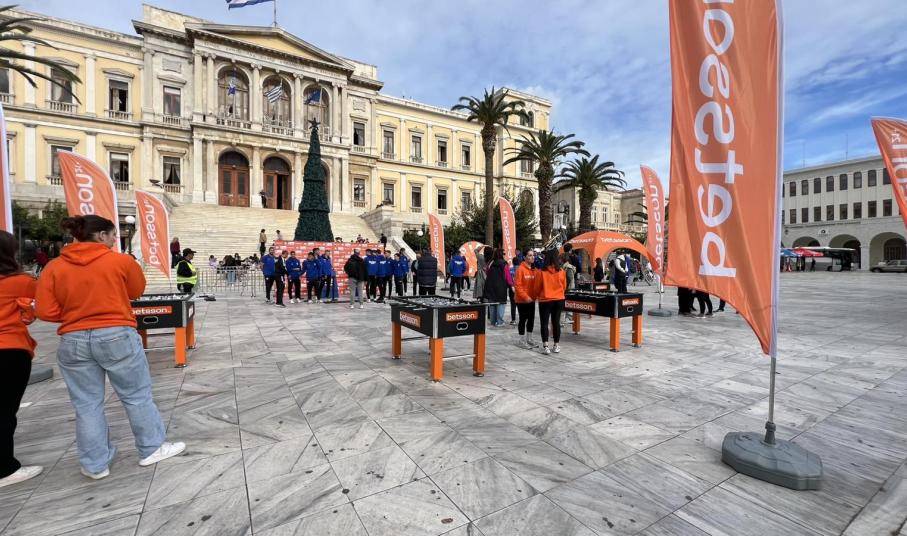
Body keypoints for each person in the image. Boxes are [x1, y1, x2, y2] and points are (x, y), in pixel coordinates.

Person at [35, 215, 184, 479]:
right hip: (116, 333)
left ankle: (95, 464)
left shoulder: (54, 267)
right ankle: (151, 448)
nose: (116, 240)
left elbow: (45, 310)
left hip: (73, 338)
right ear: (101, 235)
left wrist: (75, 315)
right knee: (136, 396)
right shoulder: (120, 261)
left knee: (86, 404)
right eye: (114, 235)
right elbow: (136, 291)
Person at [0, 231, 43, 488]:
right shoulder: (20, 282)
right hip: (8, 349)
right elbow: (33, 313)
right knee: (5, 410)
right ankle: (5, 468)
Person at [537, 249, 567, 354]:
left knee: (544, 323)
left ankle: (546, 346)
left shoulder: (541, 272)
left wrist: (538, 295)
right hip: (559, 299)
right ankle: (556, 345)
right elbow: (564, 286)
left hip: (545, 300)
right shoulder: (562, 272)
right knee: (556, 323)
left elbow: (537, 287)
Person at [514, 251, 539, 349]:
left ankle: (529, 339)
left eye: (533, 255)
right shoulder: (520, 269)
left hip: (531, 299)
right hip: (522, 300)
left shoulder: (535, 270)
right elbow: (518, 286)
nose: (532, 257)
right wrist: (525, 297)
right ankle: (521, 340)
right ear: (524, 257)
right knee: (523, 319)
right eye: (530, 255)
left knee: (531, 319)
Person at [483, 249, 510, 327]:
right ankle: (499, 321)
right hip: (501, 286)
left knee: (492, 303)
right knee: (501, 303)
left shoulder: (491, 262)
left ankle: (493, 321)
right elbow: (507, 276)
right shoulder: (504, 264)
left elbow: (487, 271)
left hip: (491, 285)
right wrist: (511, 285)